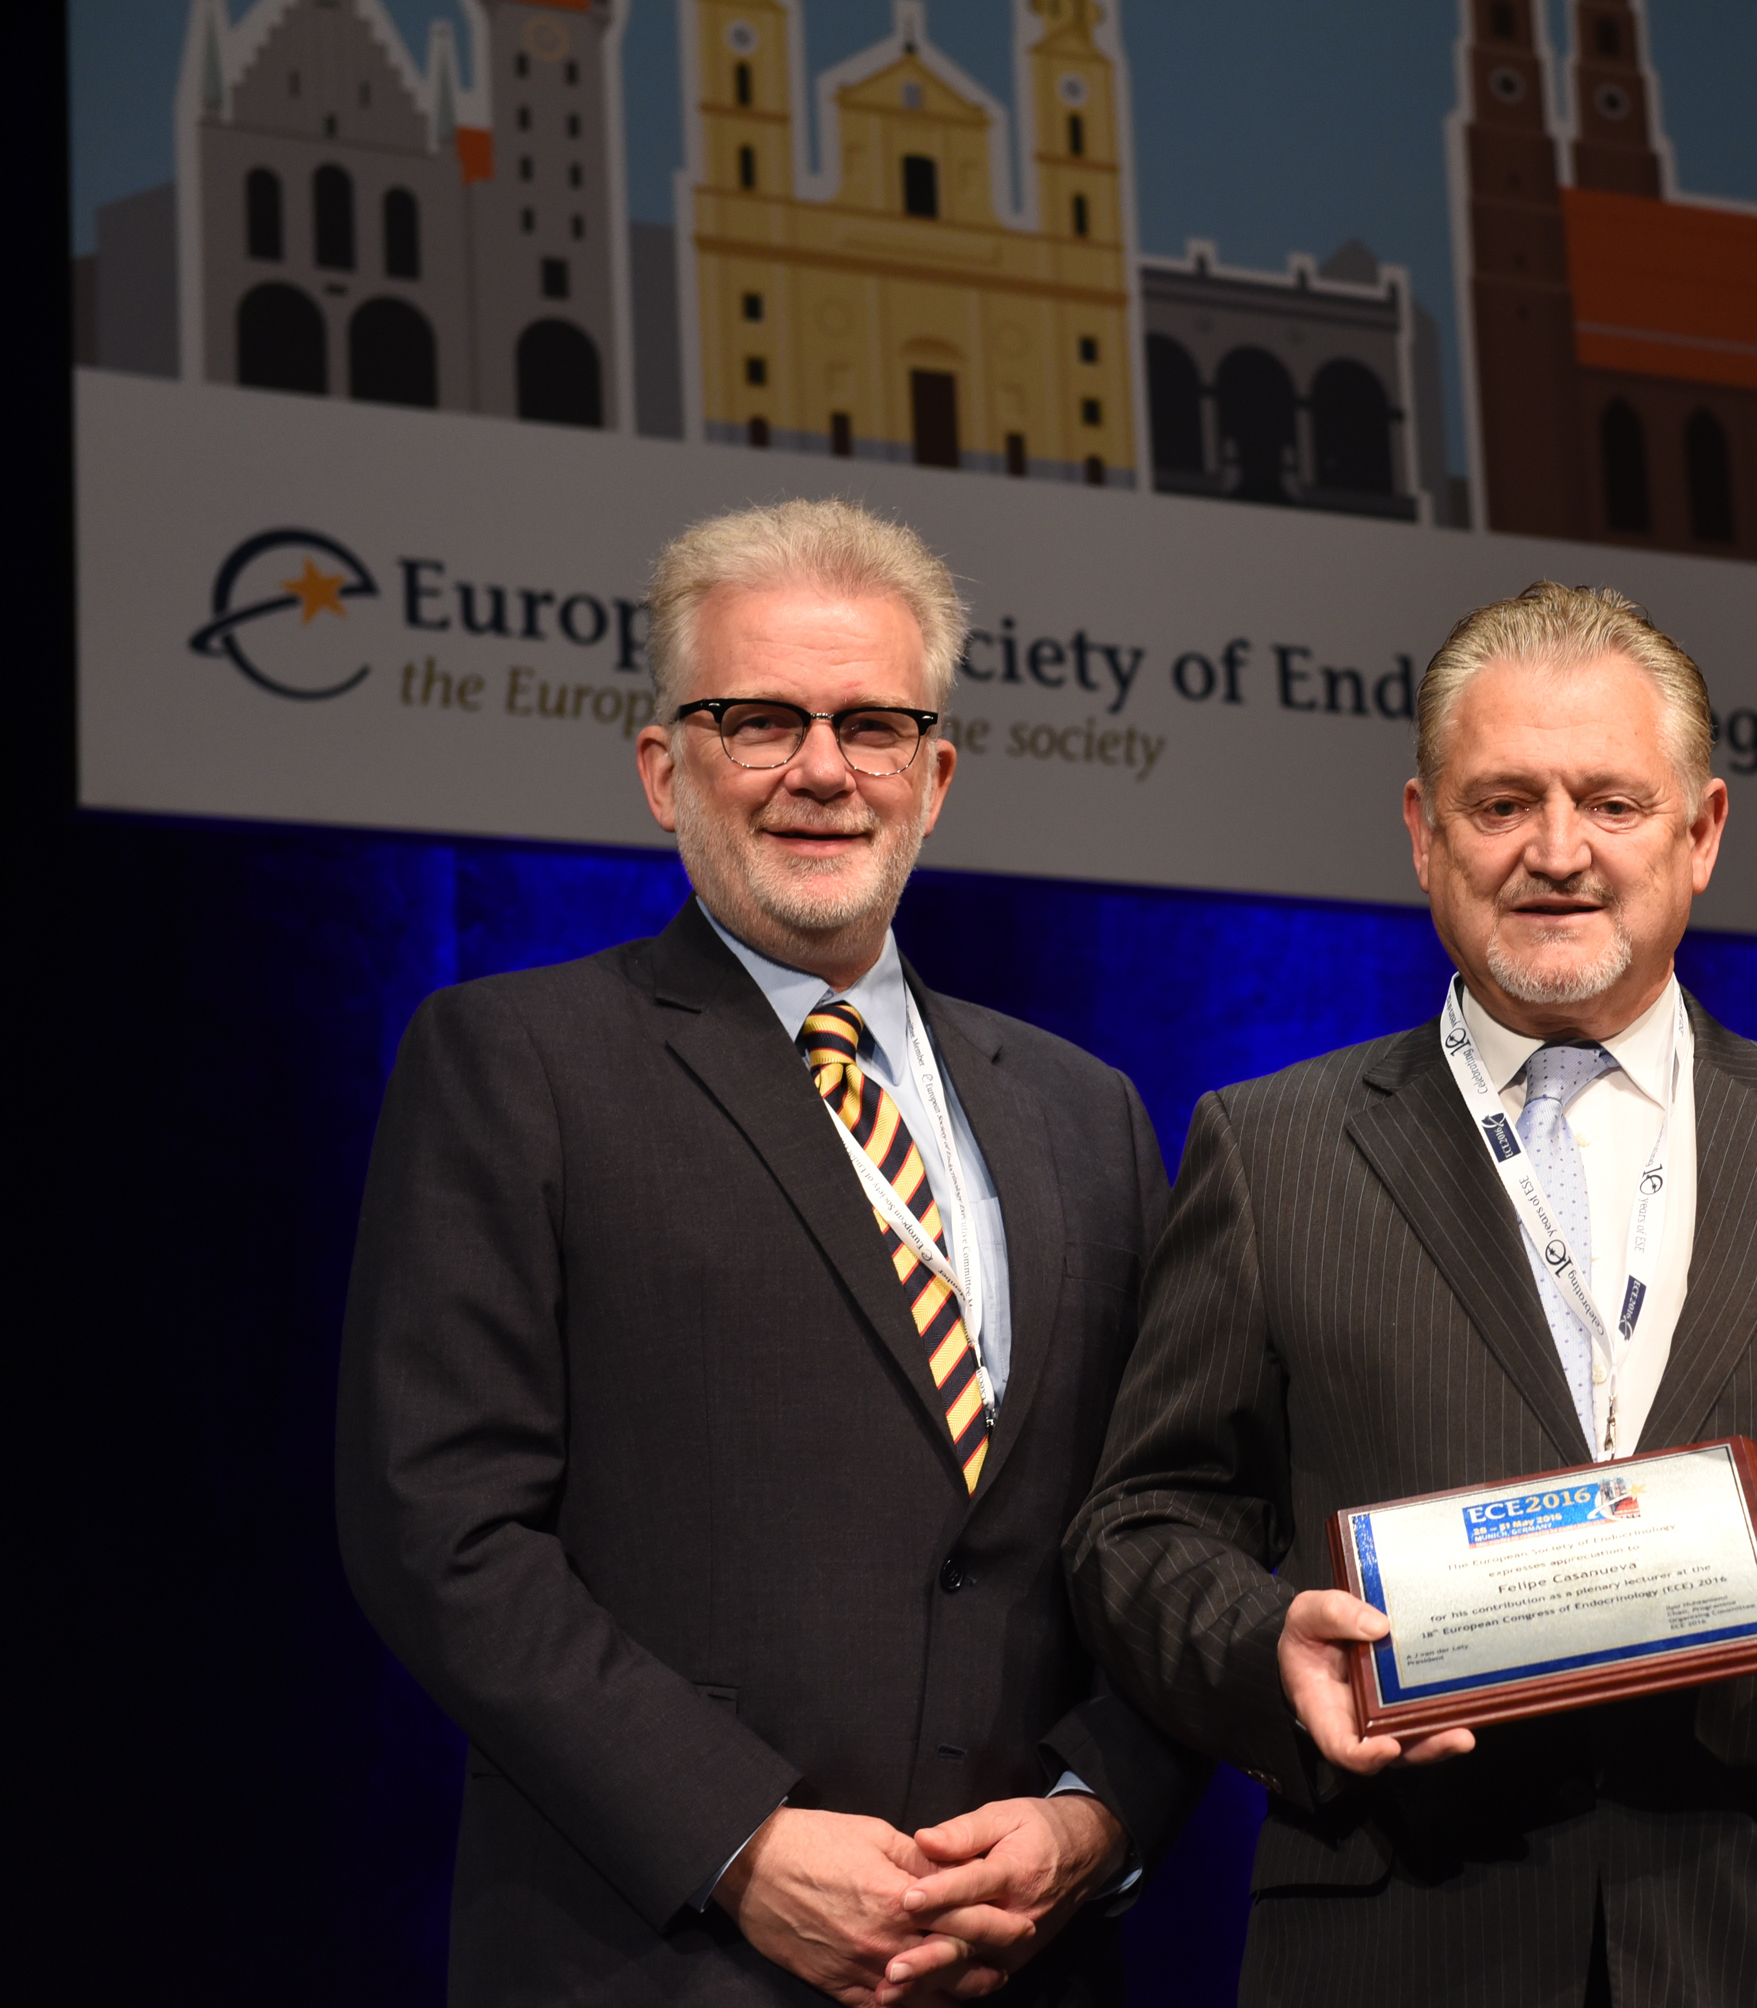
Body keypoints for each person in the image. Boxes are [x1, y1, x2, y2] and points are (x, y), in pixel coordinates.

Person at [1062, 583, 1757, 2006]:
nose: (1557, 853)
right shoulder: (1270, 1148)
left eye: (1610, 801)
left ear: (1701, 832)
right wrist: (1256, 1648)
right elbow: (1141, 1521)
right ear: (1422, 833)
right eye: (1500, 804)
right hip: (1399, 1938)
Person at [337, 499, 1199, 2005]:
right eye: (759, 720)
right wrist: (737, 1839)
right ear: (665, 768)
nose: (820, 769)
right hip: (665, 1957)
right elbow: (442, 1532)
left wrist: (1093, 1812)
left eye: (871, 725)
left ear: (935, 776)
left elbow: (1168, 1525)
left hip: (1029, 1967)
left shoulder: (1088, 1113)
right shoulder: (513, 1061)